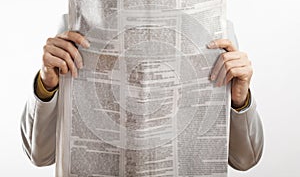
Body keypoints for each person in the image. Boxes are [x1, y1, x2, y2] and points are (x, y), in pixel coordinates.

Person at [20, 14, 264, 173]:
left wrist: (240, 99)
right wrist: (46, 84)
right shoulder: (76, 27)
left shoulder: (214, 32)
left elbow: (245, 159)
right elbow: (39, 155)